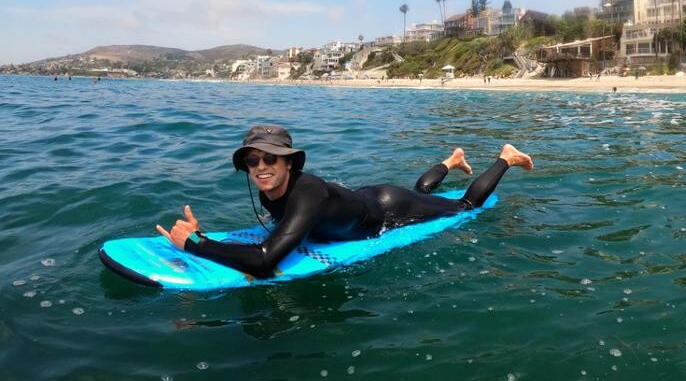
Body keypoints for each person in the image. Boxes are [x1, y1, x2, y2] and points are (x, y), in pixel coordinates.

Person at [157, 125, 533, 278]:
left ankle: (506, 157)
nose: (261, 168)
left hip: (388, 209)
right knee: (422, 191)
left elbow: (265, 262)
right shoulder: (270, 184)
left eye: (270, 158)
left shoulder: (306, 191)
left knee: (464, 208)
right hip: (366, 196)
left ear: (289, 162)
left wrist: (196, 243)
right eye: (252, 161)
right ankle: (451, 161)